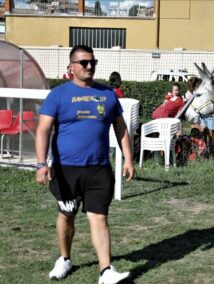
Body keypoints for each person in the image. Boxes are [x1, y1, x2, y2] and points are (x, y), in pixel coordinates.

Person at [35, 45, 134, 283]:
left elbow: (120, 128)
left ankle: (105, 271)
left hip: (99, 168)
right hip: (65, 169)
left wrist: (128, 158)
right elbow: (43, 130)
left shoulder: (108, 94)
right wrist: (41, 163)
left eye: (93, 62)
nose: (90, 66)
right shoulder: (58, 95)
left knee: (99, 217)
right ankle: (65, 258)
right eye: (84, 63)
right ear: (71, 67)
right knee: (66, 214)